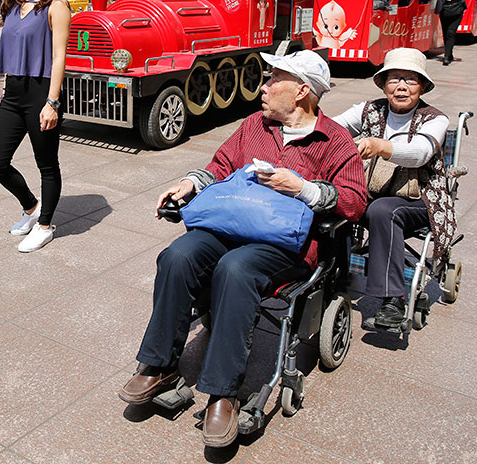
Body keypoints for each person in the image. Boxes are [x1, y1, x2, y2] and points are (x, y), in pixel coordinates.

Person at [118, 50, 366, 449]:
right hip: (232, 225)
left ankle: (223, 392)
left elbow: (355, 201)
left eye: (273, 80)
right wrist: (191, 183)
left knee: (235, 269)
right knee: (177, 256)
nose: (262, 87)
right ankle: (159, 365)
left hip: (285, 244)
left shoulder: (334, 141)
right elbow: (220, 165)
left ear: (302, 91)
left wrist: (302, 188)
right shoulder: (255, 125)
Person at [332, 48, 452, 330]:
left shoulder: (436, 119)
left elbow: (419, 153)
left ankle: (393, 301)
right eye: (394, 78)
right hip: (373, 192)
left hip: (421, 198)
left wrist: (381, 146)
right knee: (335, 199)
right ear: (383, 83)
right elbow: (333, 128)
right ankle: (334, 274)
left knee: (383, 210)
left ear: (422, 86)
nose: (401, 86)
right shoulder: (368, 110)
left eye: (410, 80)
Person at [0, 0, 70, 253]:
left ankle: (46, 224)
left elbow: (60, 56)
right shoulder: (13, 3)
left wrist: (52, 102)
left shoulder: (56, 5)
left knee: (46, 163)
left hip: (40, 93)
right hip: (13, 93)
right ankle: (32, 207)